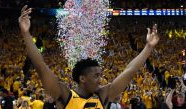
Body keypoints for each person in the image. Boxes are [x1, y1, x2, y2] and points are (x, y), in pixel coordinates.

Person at [18, 5, 159, 109]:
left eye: (100, 75)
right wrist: (26, 33)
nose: (100, 80)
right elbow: (41, 67)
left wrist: (148, 47)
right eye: (96, 76)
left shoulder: (103, 95)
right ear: (82, 78)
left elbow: (129, 71)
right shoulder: (65, 95)